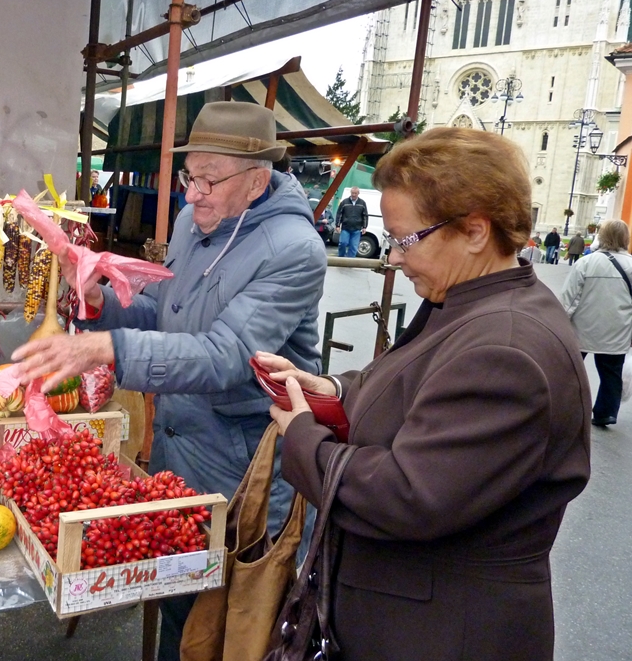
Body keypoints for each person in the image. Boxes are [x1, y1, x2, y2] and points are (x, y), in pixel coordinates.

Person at [258, 127, 590, 660]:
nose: (392, 258)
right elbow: (410, 381)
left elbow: (409, 496)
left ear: (475, 231)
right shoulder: (472, 302)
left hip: (441, 632)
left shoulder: (506, 348)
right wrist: (331, 390)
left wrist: (303, 437)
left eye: (403, 239)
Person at [10, 100, 327, 659]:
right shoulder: (191, 222)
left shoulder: (294, 250)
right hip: (178, 456)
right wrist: (100, 302)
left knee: (235, 624)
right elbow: (160, 308)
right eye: (189, 176)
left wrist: (106, 347)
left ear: (257, 182)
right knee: (180, 611)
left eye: (210, 180)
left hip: (243, 467)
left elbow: (228, 354)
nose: (192, 193)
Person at [561, 219, 632, 427]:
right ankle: (605, 412)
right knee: (611, 373)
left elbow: (570, 298)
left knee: (570, 370)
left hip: (582, 329)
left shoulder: (586, 262)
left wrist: (560, 322)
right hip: (617, 331)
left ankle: (566, 407)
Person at [334, 186, 368, 257]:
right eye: (352, 193)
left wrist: (364, 227)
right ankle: (341, 258)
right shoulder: (344, 202)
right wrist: (337, 225)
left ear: (358, 193)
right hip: (345, 228)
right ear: (350, 193)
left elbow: (365, 215)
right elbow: (339, 214)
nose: (354, 195)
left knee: (353, 247)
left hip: (356, 229)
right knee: (343, 243)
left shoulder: (362, 203)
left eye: (355, 193)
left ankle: (349, 261)